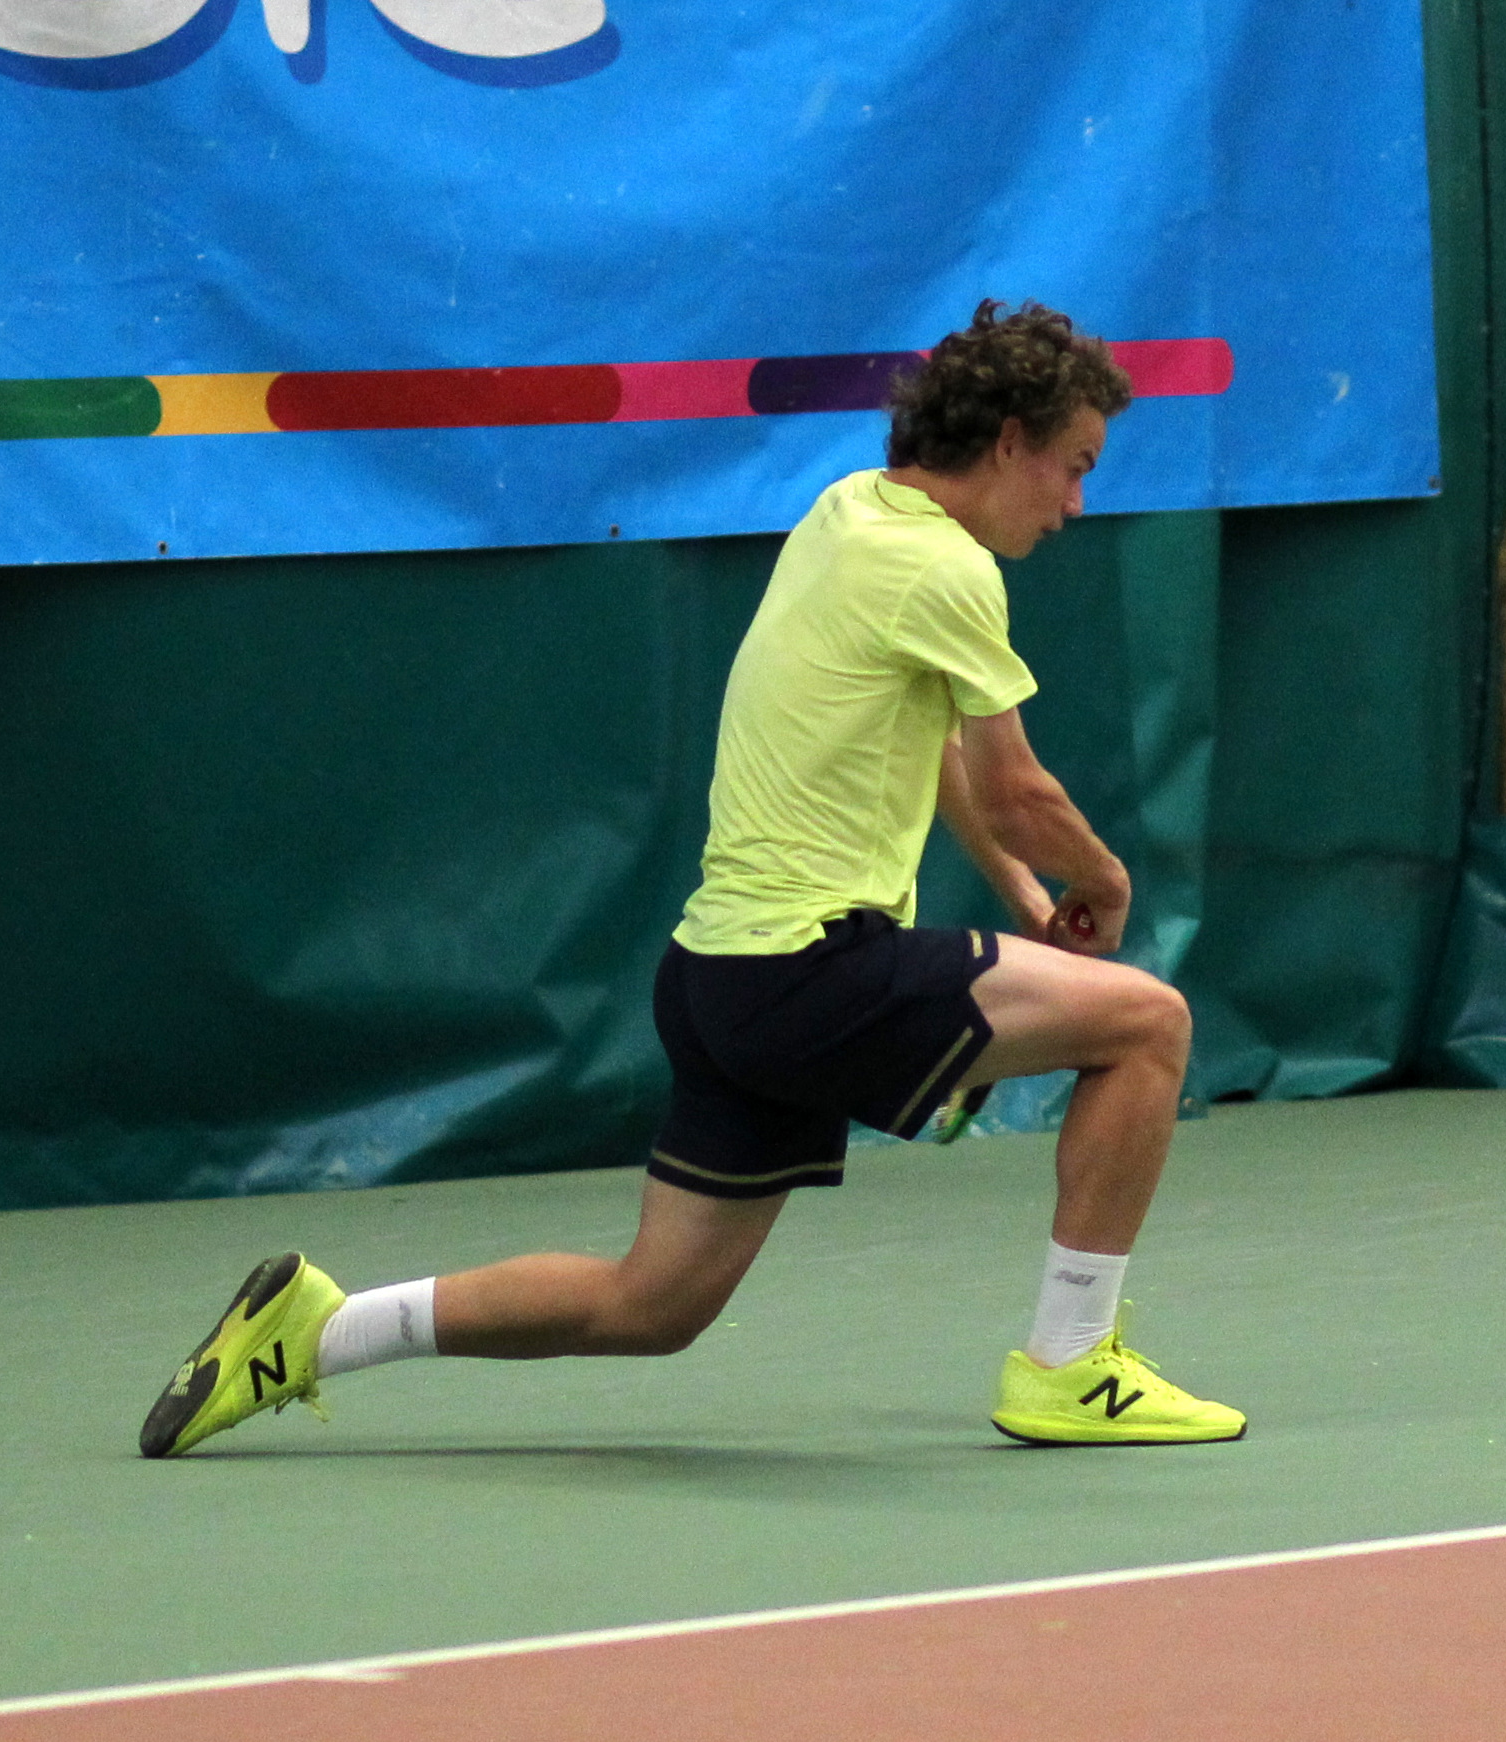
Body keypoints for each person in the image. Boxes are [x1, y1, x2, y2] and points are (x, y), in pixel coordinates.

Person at [140, 301, 1244, 1457]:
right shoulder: (946, 568)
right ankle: (1071, 1361)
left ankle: (318, 1331)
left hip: (720, 979)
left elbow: (940, 744)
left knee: (651, 1304)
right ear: (1010, 441)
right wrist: (1104, 877)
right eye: (1075, 467)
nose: (1076, 505)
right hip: (815, 970)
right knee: (1149, 1024)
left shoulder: (848, 511)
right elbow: (1016, 785)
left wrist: (1018, 890)